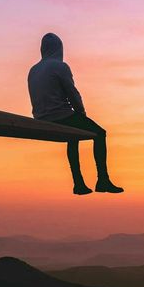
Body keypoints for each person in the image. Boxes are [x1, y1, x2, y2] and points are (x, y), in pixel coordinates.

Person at [27, 32, 124, 195]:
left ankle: (78, 183)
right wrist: (81, 112)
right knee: (100, 133)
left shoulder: (33, 70)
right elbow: (72, 93)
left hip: (40, 116)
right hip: (59, 116)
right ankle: (103, 180)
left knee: (73, 136)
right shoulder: (60, 66)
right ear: (59, 49)